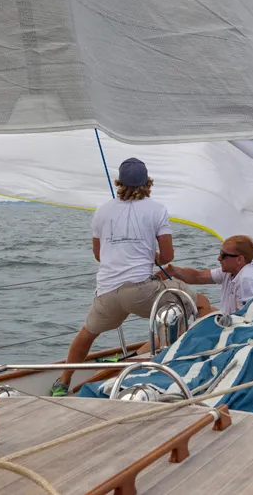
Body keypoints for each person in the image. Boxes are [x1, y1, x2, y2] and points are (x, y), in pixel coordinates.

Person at [51, 158, 210, 397]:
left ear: (119, 182)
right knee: (201, 304)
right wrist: (150, 255)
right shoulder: (157, 209)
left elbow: (99, 255)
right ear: (148, 182)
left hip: (107, 293)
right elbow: (167, 255)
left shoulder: (102, 210)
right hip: (141, 291)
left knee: (87, 334)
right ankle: (193, 361)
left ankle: (63, 381)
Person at [159, 235, 253, 315]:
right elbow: (198, 277)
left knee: (200, 309)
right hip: (232, 323)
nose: (219, 258)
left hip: (241, 332)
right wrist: (174, 271)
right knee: (196, 310)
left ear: (240, 259)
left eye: (223, 255)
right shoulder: (228, 272)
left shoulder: (247, 280)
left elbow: (248, 318)